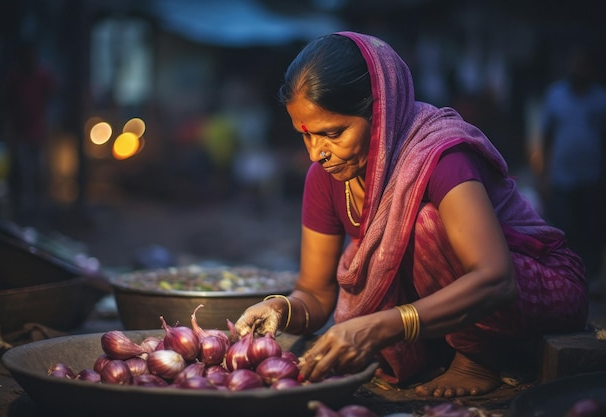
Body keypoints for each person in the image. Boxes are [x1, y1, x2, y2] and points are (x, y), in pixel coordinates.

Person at [234, 32, 588, 398]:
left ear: (381, 111)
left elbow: (496, 280)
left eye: (333, 133)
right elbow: (315, 292)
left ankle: (476, 360)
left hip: (543, 286)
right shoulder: (325, 178)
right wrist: (284, 307)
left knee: (423, 224)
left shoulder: (440, 155)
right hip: (461, 307)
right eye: (306, 136)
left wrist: (380, 326)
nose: (316, 153)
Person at [538, 47, 606, 284]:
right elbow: (545, 137)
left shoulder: (601, 100)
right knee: (565, 228)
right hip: (562, 177)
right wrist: (543, 174)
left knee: (591, 229)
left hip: (591, 177)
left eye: (584, 65)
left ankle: (590, 279)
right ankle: (569, 279)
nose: (579, 69)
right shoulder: (555, 96)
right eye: (576, 64)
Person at [0, 40, 57, 223]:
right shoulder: (15, 77)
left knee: (40, 174)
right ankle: (25, 215)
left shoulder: (42, 75)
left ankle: (41, 215)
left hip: (38, 133)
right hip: (21, 135)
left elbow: (54, 95)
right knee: (24, 176)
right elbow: (5, 105)